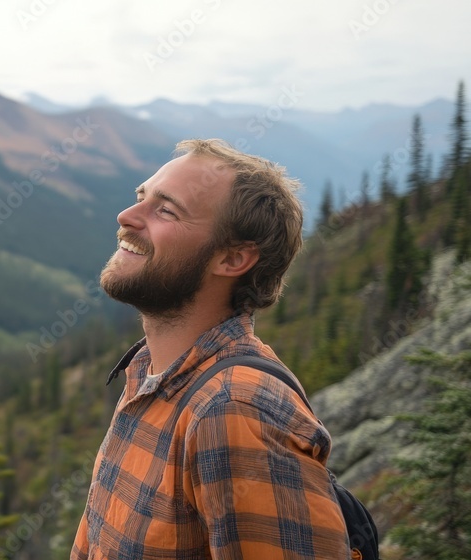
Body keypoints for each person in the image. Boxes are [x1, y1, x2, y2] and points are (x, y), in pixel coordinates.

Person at [71, 139, 349, 559]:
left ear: (233, 259)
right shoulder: (152, 371)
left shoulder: (235, 409)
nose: (126, 217)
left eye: (166, 210)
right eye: (141, 198)